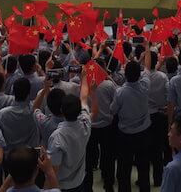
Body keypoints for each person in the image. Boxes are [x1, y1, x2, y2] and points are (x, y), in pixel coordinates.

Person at [110, 58, 151, 192]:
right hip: (144, 133)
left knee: (124, 169)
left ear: (125, 75)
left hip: (125, 135)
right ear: (139, 75)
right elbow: (147, 69)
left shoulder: (120, 92)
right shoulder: (145, 85)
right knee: (143, 167)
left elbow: (113, 110)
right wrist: (146, 49)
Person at [46, 69, 91, 192]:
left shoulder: (57, 137)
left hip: (63, 185)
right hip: (79, 179)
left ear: (61, 110)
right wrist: (84, 77)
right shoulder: (86, 122)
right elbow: (84, 96)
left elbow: (53, 170)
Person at [85, 57, 118, 192]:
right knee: (108, 155)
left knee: (89, 159)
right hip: (107, 125)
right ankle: (108, 183)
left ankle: (88, 186)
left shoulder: (84, 85)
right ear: (103, 69)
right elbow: (115, 104)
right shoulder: (109, 85)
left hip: (90, 126)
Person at [144, 50, 170, 187]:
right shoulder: (163, 77)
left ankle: (143, 180)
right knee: (158, 149)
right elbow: (168, 95)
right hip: (159, 116)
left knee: (145, 150)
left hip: (144, 117)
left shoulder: (142, 77)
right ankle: (158, 179)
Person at [0, 77, 39, 151]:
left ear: (13, 92)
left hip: (10, 155)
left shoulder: (2, 114)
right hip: (31, 154)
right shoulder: (34, 111)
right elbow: (39, 101)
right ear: (29, 93)